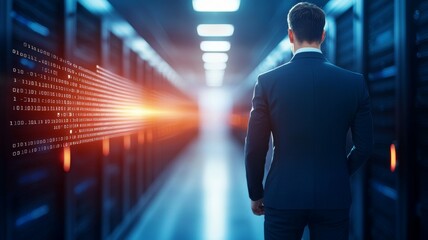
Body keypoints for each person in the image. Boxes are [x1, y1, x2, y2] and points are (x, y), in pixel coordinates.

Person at [244, 2, 373, 239]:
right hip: (333, 196)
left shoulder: (267, 82)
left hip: (283, 195)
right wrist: (338, 171)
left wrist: (256, 192)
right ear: (323, 35)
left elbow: (255, 147)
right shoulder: (354, 83)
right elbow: (365, 146)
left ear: (290, 35)